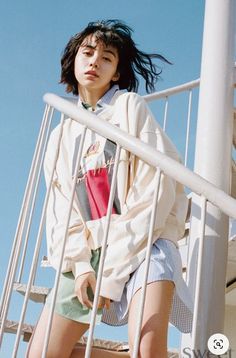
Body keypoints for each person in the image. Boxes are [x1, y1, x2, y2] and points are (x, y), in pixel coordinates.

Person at [27, 19, 193, 358]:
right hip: (89, 254)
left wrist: (112, 270)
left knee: (147, 349)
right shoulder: (62, 134)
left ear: (116, 72)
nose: (94, 62)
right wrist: (85, 266)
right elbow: (62, 211)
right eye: (87, 53)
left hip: (146, 241)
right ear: (74, 60)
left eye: (106, 58)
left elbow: (155, 191)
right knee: (44, 353)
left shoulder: (130, 107)